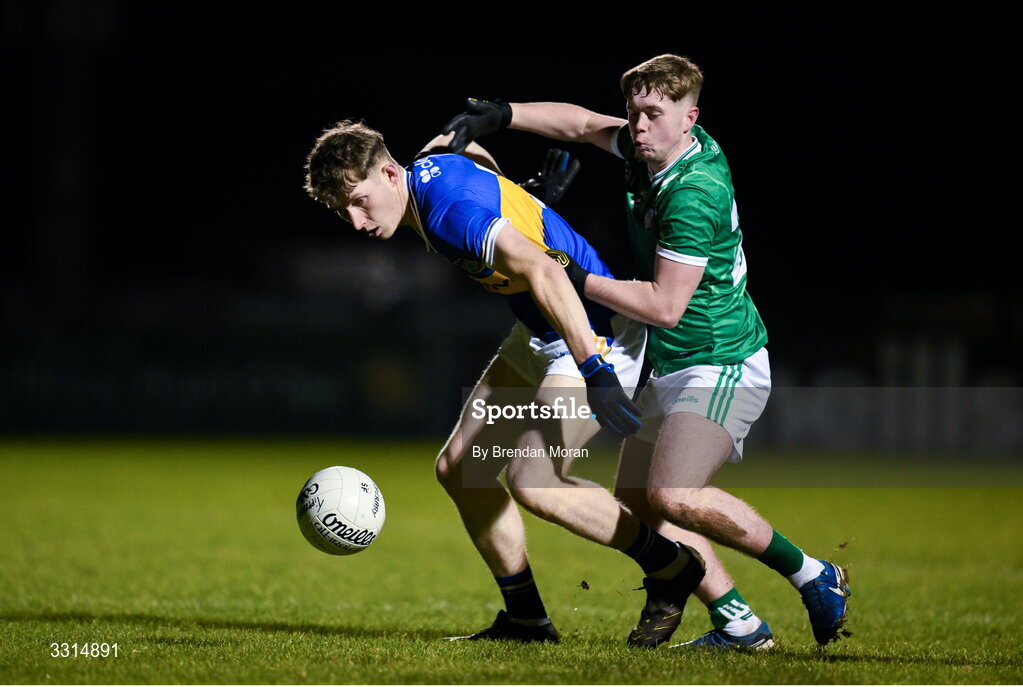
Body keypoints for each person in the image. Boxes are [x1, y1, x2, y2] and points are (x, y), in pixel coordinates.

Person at [440, 54, 851, 650]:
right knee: (643, 502)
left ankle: (814, 573)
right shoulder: (651, 148)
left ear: (691, 119)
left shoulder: (695, 192)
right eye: (633, 113)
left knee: (673, 494)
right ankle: (740, 624)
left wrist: (567, 273)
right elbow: (582, 125)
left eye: (652, 115)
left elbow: (663, 306)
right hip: (670, 360)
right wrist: (505, 115)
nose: (636, 126)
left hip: (719, 358)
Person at [303, 120, 707, 644]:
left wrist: (597, 372)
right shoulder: (424, 165)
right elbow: (458, 144)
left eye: (359, 201)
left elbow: (545, 271)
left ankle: (671, 564)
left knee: (534, 480)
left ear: (387, 171)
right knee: (460, 467)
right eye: (342, 212)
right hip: (539, 327)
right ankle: (526, 620)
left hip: (591, 329)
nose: (357, 222)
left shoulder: (448, 212)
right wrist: (522, 195)